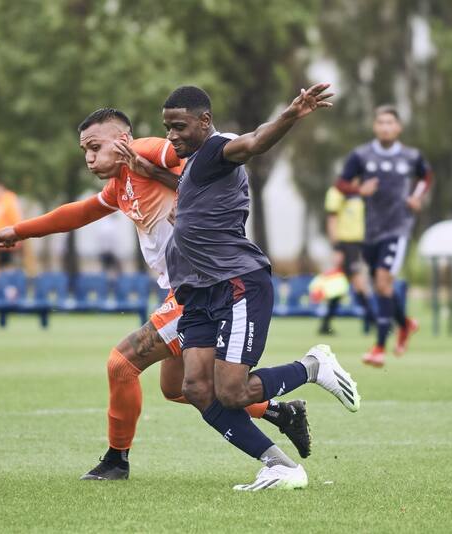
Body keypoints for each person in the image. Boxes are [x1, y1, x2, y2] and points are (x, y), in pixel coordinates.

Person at [0, 108, 311, 481]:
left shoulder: (150, 150)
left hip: (201, 286)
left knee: (122, 363)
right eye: (84, 151)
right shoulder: (119, 185)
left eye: (95, 147)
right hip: (186, 290)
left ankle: (116, 460)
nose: (89, 158)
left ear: (124, 141)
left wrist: (180, 192)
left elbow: (196, 159)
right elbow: (80, 212)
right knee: (178, 389)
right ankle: (279, 412)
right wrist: (21, 230)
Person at [161, 83, 360, 491]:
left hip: (236, 285)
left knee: (231, 392)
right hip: (199, 292)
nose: (171, 135)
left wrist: (290, 114)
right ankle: (279, 466)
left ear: (204, 121)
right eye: (167, 128)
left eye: (179, 126)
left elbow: (252, 143)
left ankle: (312, 367)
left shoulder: (218, 148)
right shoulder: (195, 165)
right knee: (197, 387)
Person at [335, 105, 432, 367]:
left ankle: (378, 347)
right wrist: (358, 190)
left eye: (390, 123)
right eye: (381, 123)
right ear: (375, 127)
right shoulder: (361, 155)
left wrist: (416, 197)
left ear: (398, 127)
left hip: (397, 229)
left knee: (383, 281)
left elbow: (426, 177)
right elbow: (341, 184)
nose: (386, 127)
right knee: (382, 286)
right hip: (369, 232)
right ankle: (406, 323)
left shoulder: (411, 156)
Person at [317, 184, 374, 335]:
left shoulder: (360, 192)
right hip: (345, 245)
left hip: (357, 245)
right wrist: (337, 248)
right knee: (357, 283)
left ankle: (325, 324)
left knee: (341, 285)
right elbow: (332, 220)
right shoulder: (337, 191)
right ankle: (373, 321)